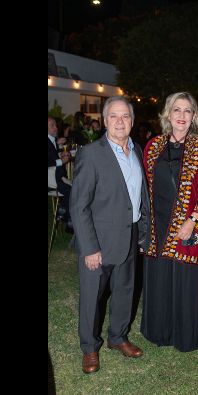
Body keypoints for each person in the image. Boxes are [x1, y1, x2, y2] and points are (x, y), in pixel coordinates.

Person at [68, 96, 150, 374]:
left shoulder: (136, 150)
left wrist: (143, 231)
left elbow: (140, 196)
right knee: (92, 297)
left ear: (132, 120)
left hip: (130, 236)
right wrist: (89, 247)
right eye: (113, 116)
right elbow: (79, 206)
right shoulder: (92, 154)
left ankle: (118, 337)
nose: (119, 121)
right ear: (104, 121)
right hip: (99, 242)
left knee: (125, 291)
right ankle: (90, 348)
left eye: (125, 116)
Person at [140, 91, 198, 352]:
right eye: (177, 110)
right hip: (157, 226)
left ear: (194, 116)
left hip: (188, 226)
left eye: (187, 111)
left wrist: (193, 220)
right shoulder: (153, 147)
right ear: (168, 114)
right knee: (160, 278)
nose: (182, 116)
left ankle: (185, 337)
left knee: (185, 281)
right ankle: (158, 331)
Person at [48, 116, 73, 227]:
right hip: (51, 182)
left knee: (75, 189)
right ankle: (66, 219)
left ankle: (63, 215)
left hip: (57, 178)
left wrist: (60, 154)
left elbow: (51, 157)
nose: (56, 127)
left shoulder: (51, 140)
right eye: (52, 125)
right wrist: (61, 161)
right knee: (72, 192)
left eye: (55, 125)